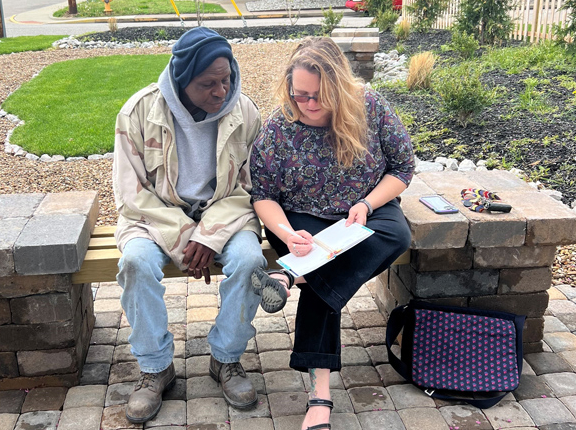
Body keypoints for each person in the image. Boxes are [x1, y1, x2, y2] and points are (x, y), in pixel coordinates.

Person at [249, 37, 414, 430]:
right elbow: (263, 196)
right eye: (299, 94)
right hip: (301, 223)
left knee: (397, 236)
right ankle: (319, 397)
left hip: (364, 211)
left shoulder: (370, 107)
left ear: (340, 86)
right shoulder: (278, 127)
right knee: (324, 262)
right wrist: (288, 235)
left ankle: (291, 275)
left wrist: (369, 204)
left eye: (318, 96)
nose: (307, 104)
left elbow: (402, 168)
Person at [113, 27, 267, 423]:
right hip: (154, 217)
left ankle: (226, 360)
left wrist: (209, 234)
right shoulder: (138, 112)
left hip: (227, 214)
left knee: (251, 261)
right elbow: (131, 195)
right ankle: (154, 369)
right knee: (135, 263)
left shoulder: (245, 112)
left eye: (226, 79)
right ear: (182, 81)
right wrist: (186, 237)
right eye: (207, 84)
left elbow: (250, 188)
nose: (220, 92)